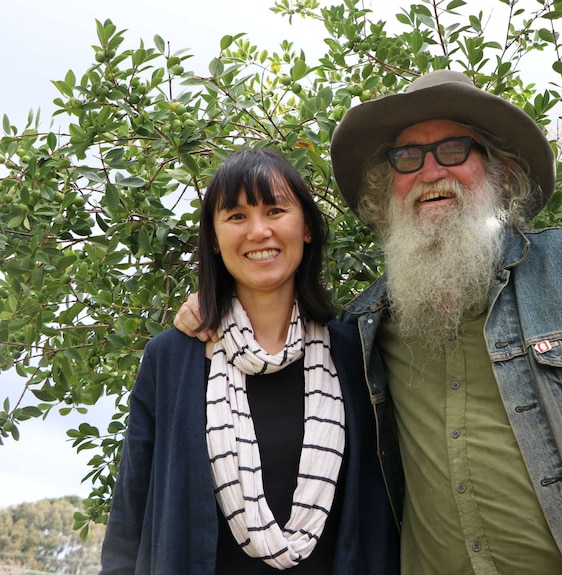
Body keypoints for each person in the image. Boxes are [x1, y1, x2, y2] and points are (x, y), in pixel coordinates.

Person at [177, 71, 562, 574]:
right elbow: (279, 351)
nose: (430, 172)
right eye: (406, 158)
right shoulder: (362, 325)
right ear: (389, 187)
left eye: (454, 150)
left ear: (498, 171)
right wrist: (215, 307)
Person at [101, 149, 398, 575]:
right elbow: (129, 516)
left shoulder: (355, 352)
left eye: (275, 210)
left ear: (308, 228)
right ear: (215, 240)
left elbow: (385, 504)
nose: (259, 231)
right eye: (237, 216)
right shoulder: (171, 360)